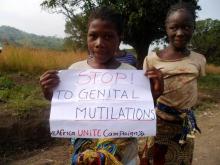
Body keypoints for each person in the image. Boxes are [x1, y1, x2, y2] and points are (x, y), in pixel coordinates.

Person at [39, 7, 163, 165]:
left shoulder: (131, 73)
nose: (99, 43)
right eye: (93, 36)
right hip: (85, 156)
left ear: (119, 38)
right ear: (87, 37)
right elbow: (67, 107)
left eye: (108, 36)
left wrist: (153, 96)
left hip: (124, 157)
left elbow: (137, 112)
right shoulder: (74, 71)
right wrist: (49, 93)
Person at [143, 2, 206, 165]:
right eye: (174, 28)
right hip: (158, 123)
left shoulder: (199, 60)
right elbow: (144, 97)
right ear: (166, 28)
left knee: (182, 160)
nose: (180, 33)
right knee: (155, 159)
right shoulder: (151, 60)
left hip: (185, 125)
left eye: (186, 27)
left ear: (193, 28)